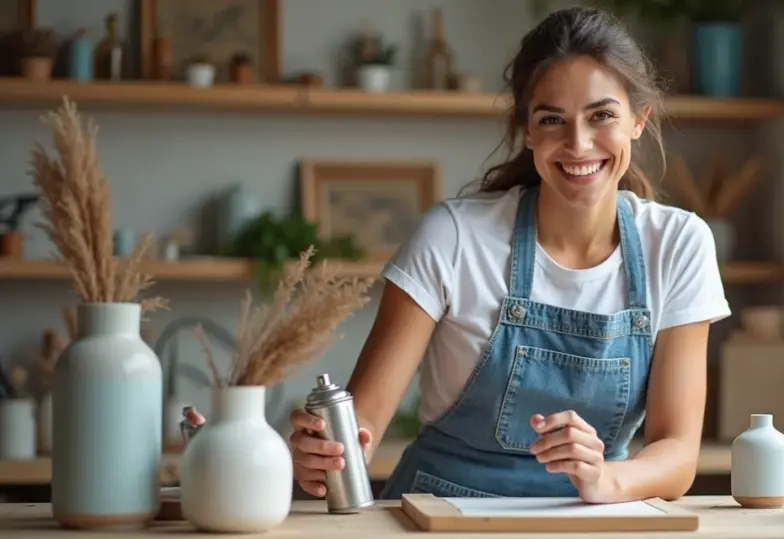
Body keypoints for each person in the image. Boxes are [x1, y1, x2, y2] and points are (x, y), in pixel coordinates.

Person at [186, 6, 730, 503]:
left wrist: (605, 478)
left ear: (639, 118)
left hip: (591, 517)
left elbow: (677, 453)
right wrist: (319, 459)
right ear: (527, 131)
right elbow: (363, 427)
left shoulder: (678, 245)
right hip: (440, 514)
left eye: (601, 116)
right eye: (551, 120)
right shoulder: (452, 237)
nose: (579, 144)